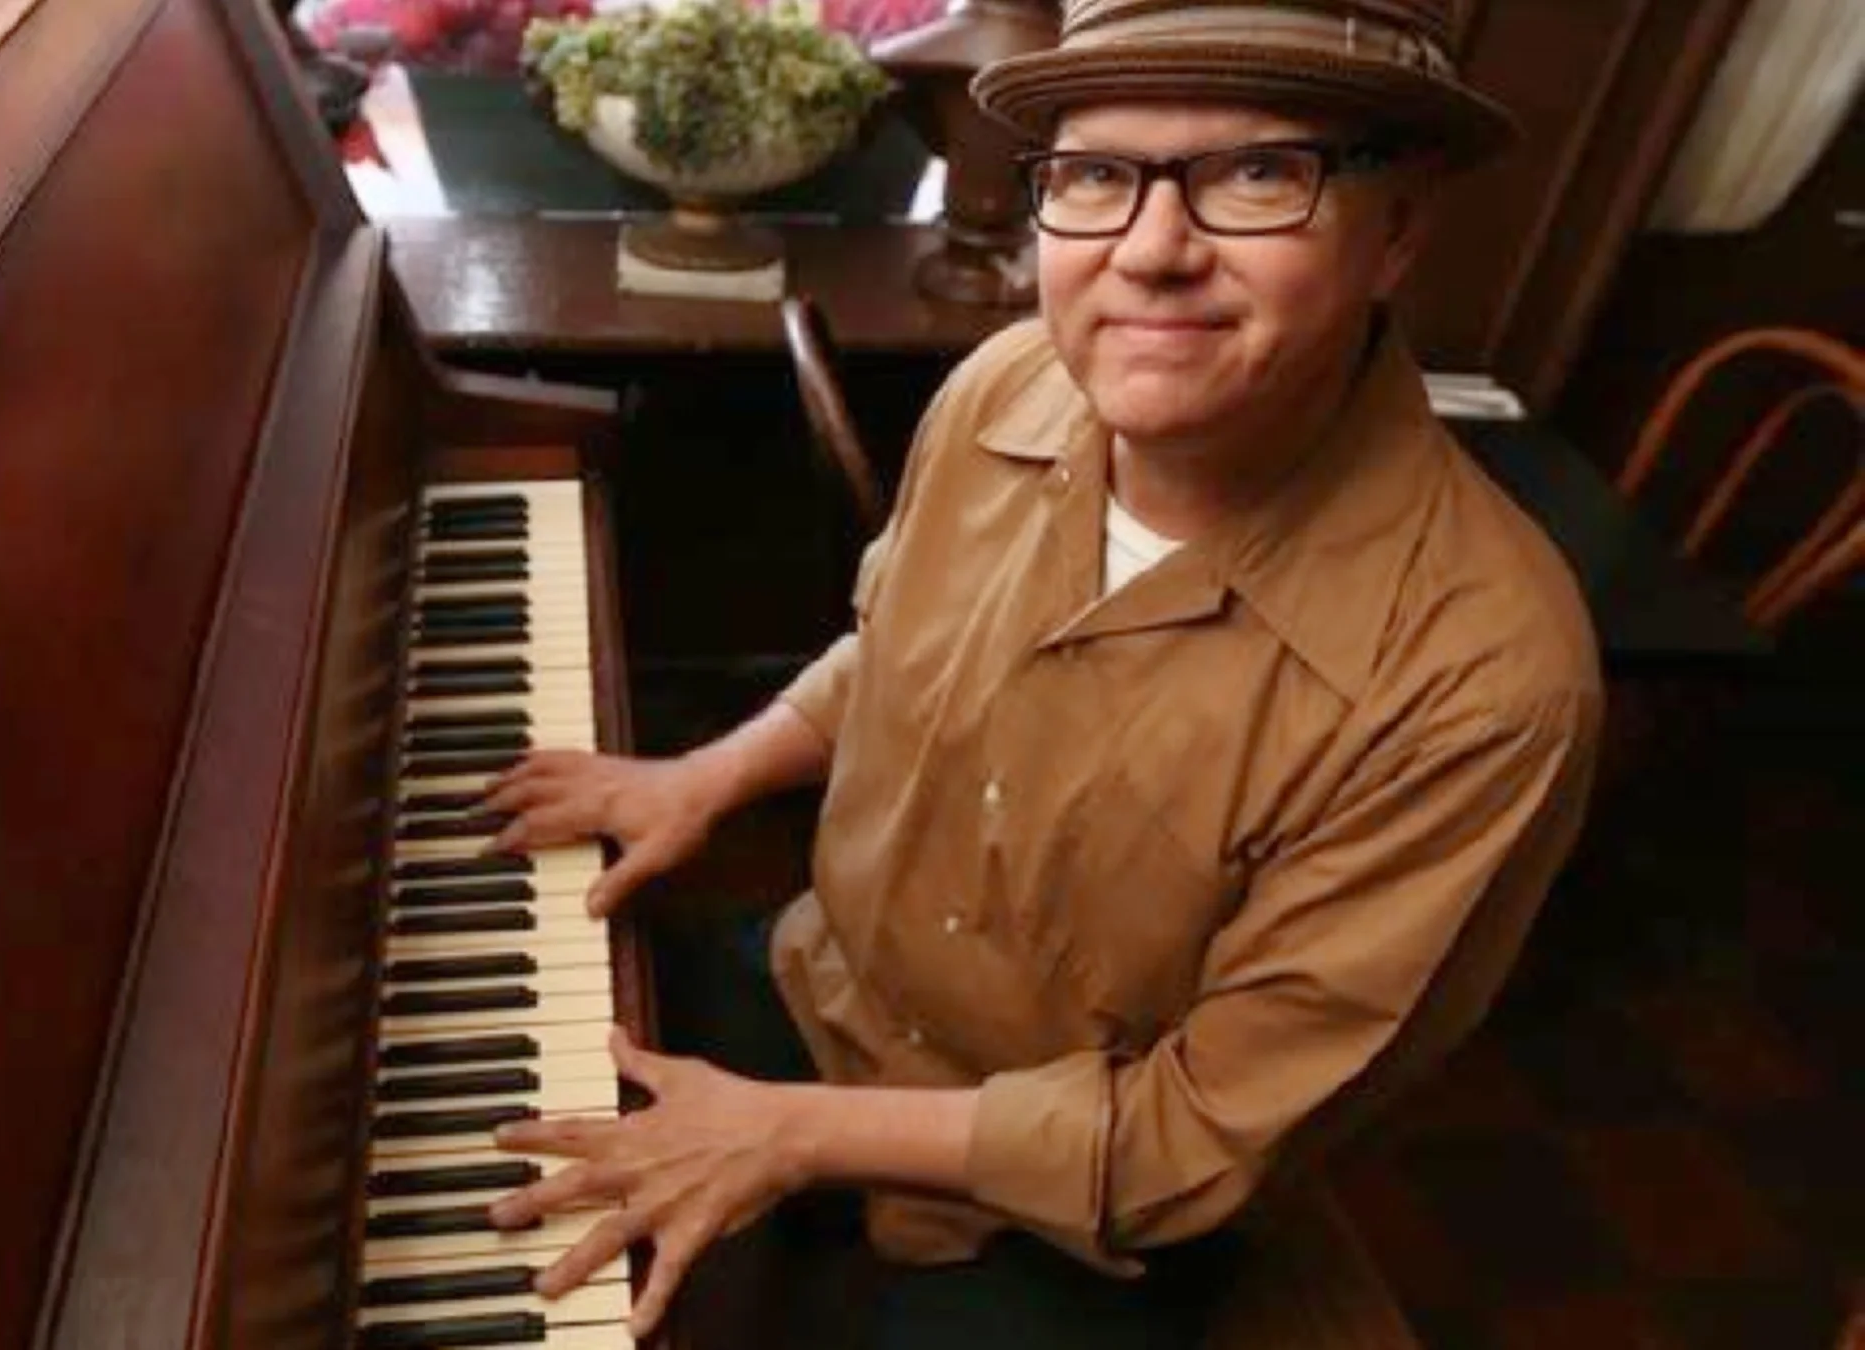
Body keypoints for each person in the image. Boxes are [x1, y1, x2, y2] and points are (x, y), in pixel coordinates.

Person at [478, 1, 1605, 1344]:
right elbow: (890, 652)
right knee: (473, 1169)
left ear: (1400, 227)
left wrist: (785, 1135)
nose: (1151, 251)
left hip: (1055, 1207)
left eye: (1257, 172)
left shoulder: (1485, 680)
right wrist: (702, 774)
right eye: (1094, 175)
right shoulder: (1007, 383)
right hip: (823, 985)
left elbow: (1192, 1137)